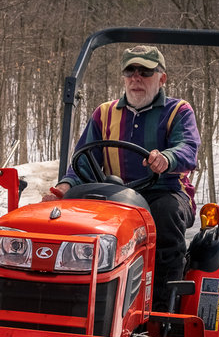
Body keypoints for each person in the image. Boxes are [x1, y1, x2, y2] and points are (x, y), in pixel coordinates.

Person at [44, 45, 200, 312]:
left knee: (165, 214)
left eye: (145, 71)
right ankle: (70, 305)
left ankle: (162, 310)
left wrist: (166, 159)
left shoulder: (178, 111)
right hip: (112, 196)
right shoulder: (104, 113)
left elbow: (187, 148)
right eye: (131, 70)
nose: (136, 77)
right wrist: (65, 186)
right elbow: (82, 162)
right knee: (69, 219)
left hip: (164, 192)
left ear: (162, 78)